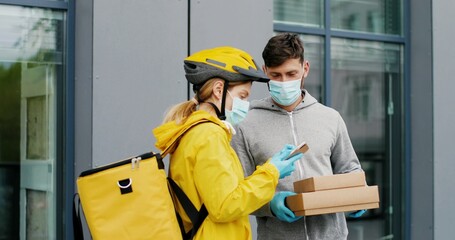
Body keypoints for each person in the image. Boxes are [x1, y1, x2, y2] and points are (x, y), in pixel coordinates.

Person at [153, 46, 304, 240]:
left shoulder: (194, 130)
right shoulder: (209, 135)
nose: (246, 104)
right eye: (242, 96)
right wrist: (271, 172)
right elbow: (226, 205)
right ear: (218, 90)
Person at [231, 33, 365, 240]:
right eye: (276, 75)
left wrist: (357, 194)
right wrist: (271, 205)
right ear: (265, 71)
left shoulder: (330, 118)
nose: (284, 82)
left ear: (305, 69)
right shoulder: (245, 124)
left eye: (291, 73)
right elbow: (237, 193)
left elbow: (350, 168)